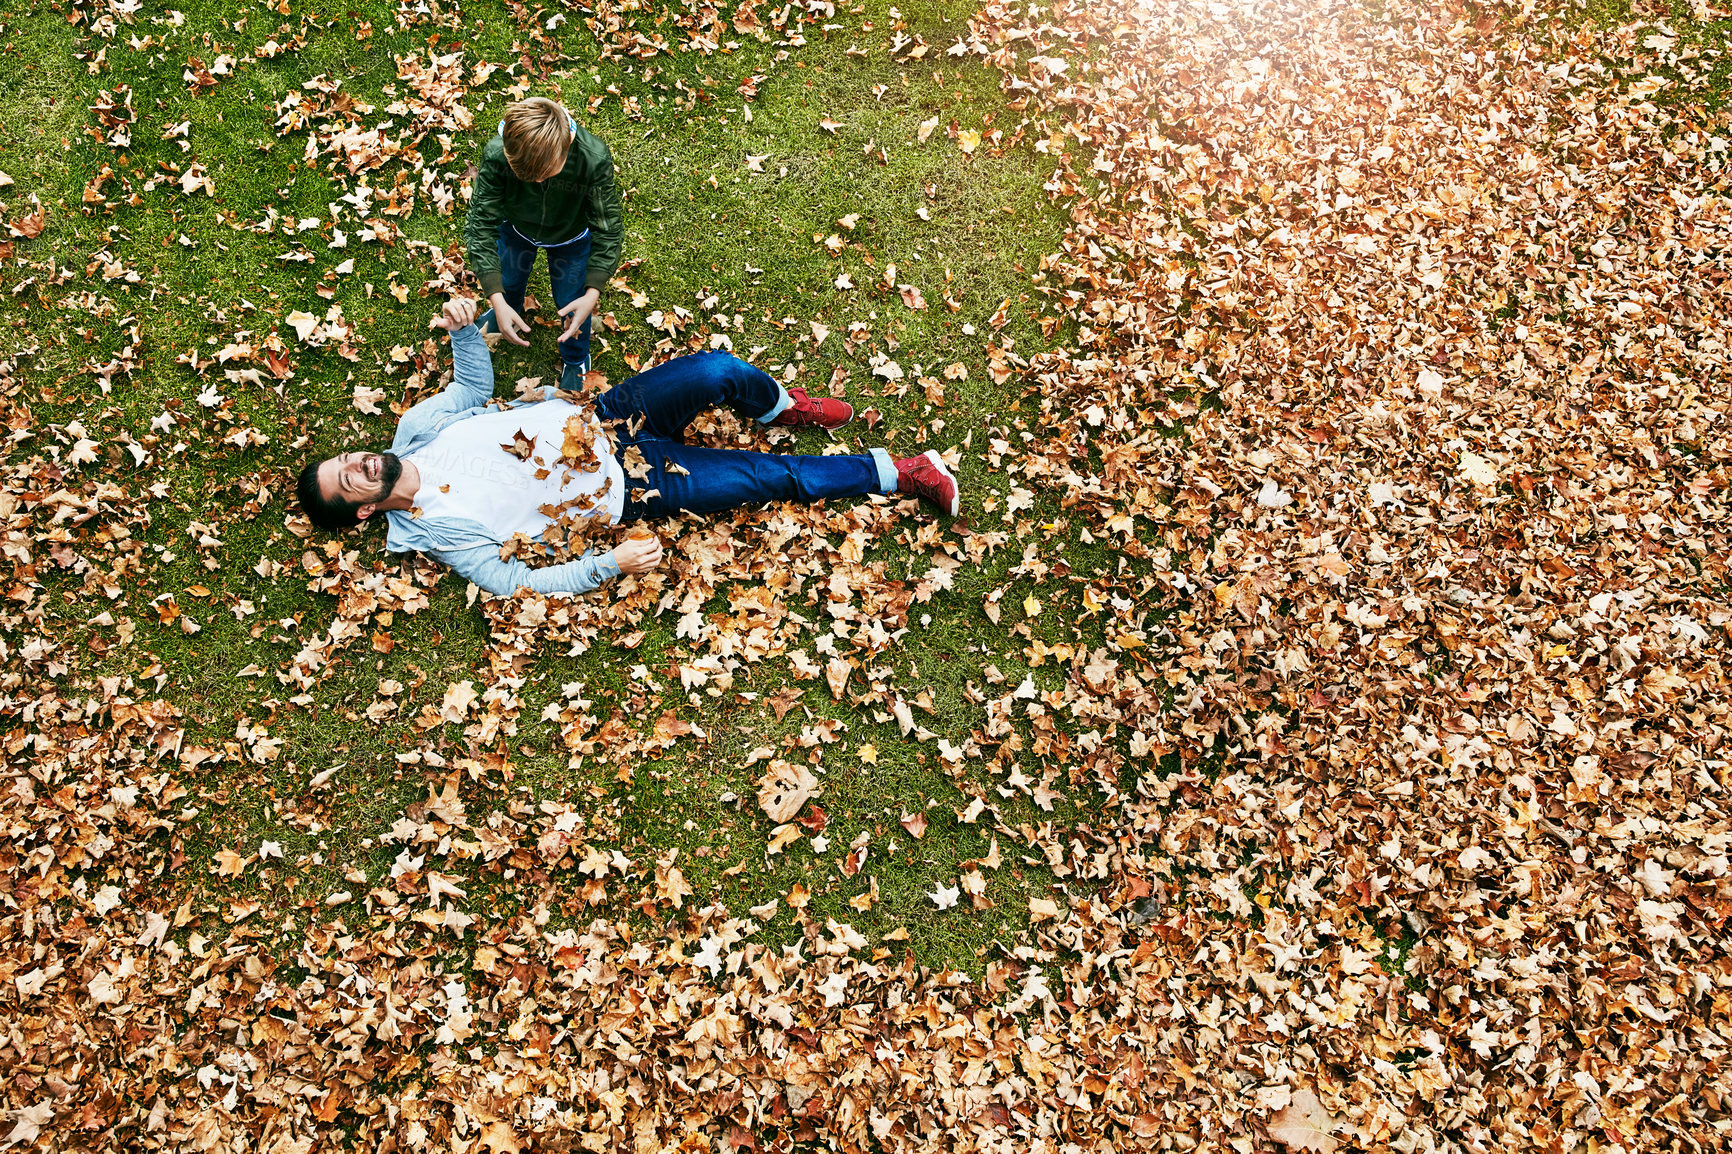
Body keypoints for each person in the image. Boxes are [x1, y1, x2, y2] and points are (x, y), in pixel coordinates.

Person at [294, 298, 961, 597]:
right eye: (348, 480)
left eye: (347, 457)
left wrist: (464, 333)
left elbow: (472, 387)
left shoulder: (418, 428)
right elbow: (521, 582)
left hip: (609, 418)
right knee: (768, 477)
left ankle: (783, 404)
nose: (357, 463)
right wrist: (608, 563)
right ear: (362, 513)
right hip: (637, 488)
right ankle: (901, 473)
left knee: (715, 371)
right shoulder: (442, 535)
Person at [464, 96, 623, 390]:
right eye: (525, 176)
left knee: (572, 302)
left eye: (545, 174)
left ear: (566, 150)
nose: (536, 183)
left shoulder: (592, 158)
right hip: (515, 230)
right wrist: (495, 299)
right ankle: (507, 310)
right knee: (508, 279)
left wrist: (593, 292)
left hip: (571, 239)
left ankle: (575, 358)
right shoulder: (498, 153)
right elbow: (479, 225)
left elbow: (608, 229)